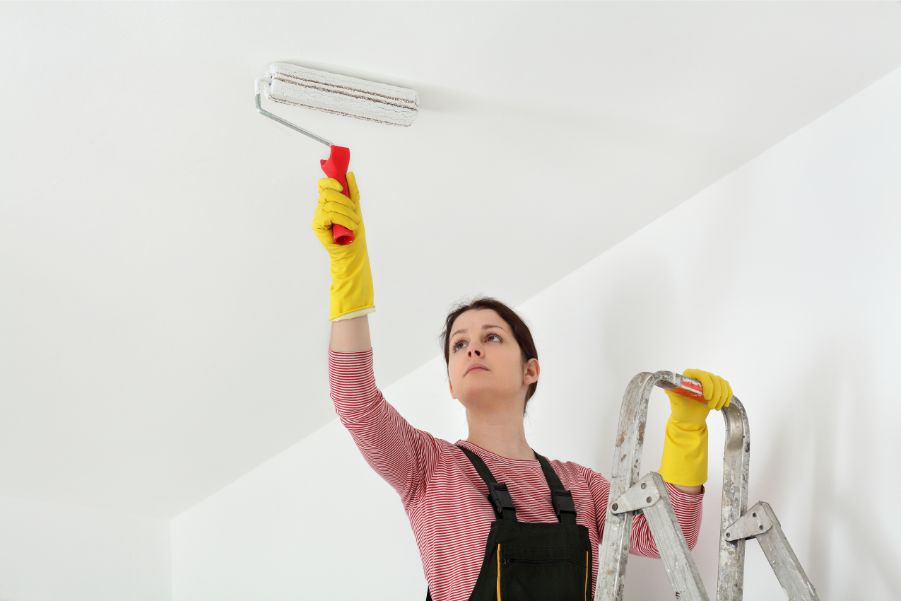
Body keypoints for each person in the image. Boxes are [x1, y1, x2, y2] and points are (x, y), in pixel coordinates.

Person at [314, 172, 733, 601]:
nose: (473, 349)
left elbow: (672, 538)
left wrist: (686, 427)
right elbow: (355, 400)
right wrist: (348, 271)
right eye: (459, 344)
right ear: (451, 386)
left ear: (530, 369)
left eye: (492, 337)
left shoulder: (581, 487)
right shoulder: (430, 468)